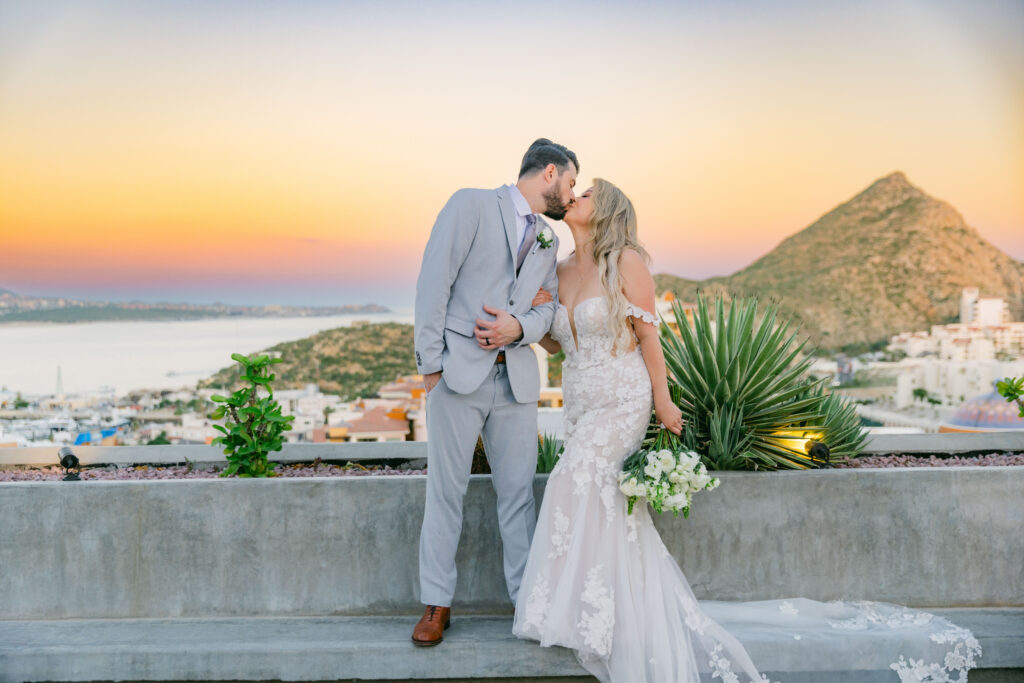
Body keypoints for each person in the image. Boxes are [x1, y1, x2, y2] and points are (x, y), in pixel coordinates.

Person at [512, 179, 981, 682]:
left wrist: (664, 403)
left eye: (586, 194)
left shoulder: (626, 262)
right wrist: (538, 322)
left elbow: (649, 338)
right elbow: (560, 345)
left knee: (573, 480)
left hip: (624, 399)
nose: (575, 197)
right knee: (587, 491)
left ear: (604, 212)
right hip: (581, 399)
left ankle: (594, 613)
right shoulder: (559, 270)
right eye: (575, 192)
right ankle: (588, 607)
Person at [411, 138, 577, 646]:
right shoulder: (471, 204)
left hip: (518, 383)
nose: (570, 195)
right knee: (445, 493)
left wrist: (519, 330)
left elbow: (547, 311)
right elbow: (433, 282)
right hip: (457, 376)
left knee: (518, 498)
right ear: (549, 172)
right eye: (569, 183)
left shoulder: (550, 240)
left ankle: (526, 604)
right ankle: (436, 604)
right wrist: (431, 367)